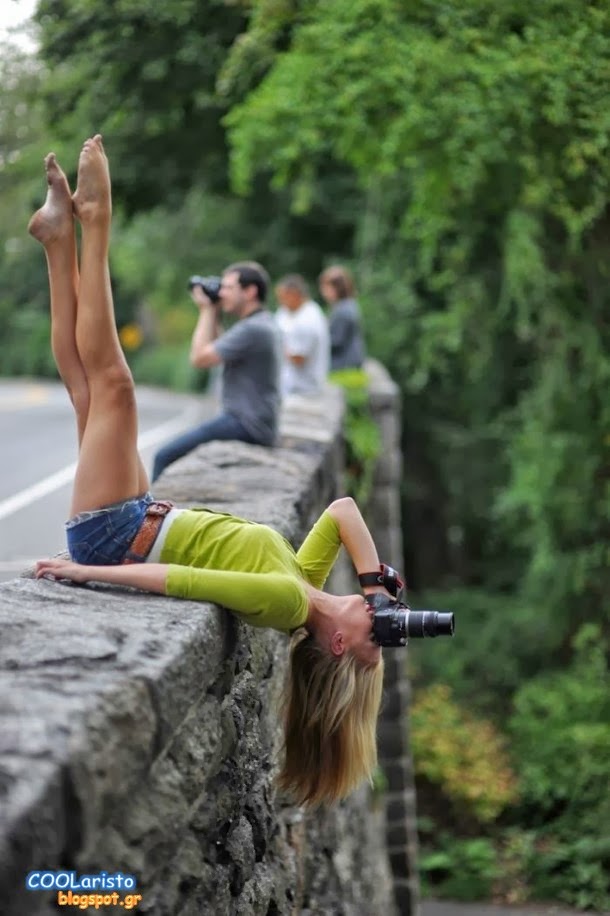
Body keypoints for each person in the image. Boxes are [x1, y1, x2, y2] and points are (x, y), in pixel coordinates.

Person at [28, 136, 395, 807]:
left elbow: (180, 580)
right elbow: (342, 509)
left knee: (115, 385)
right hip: (137, 516)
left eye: (375, 637)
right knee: (87, 388)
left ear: (339, 643)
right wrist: (376, 582)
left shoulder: (286, 605)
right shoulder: (303, 583)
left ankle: (94, 223)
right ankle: (57, 240)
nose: (379, 620)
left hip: (116, 535)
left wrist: (85, 573)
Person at [151, 260, 281, 481]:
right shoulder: (261, 323)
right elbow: (220, 350)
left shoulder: (253, 329)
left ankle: (153, 516)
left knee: (164, 457)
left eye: (229, 288)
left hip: (246, 423)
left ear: (250, 291)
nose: (222, 293)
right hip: (255, 421)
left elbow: (200, 358)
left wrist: (206, 309)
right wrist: (213, 312)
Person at [274, 274, 330, 396]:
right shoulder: (286, 311)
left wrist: (276, 346)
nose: (280, 301)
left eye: (283, 297)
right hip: (289, 385)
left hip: (303, 389)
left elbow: (298, 358)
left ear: (294, 294)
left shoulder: (308, 320)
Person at [318, 265, 366, 371]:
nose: (323, 292)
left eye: (325, 287)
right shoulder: (347, 305)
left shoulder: (343, 310)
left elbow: (336, 341)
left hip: (345, 365)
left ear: (337, 287)